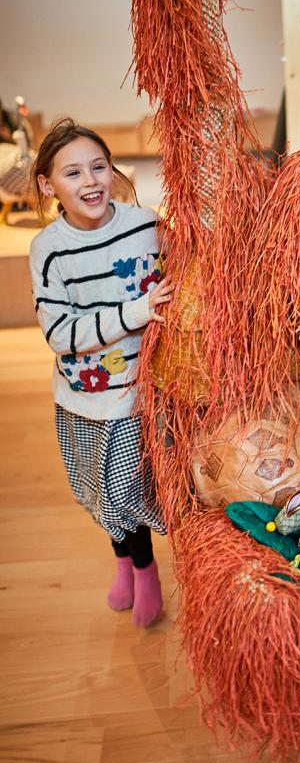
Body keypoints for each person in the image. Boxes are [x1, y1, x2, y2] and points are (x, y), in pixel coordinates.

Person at [29, 119, 173, 626]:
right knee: (96, 492)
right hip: (84, 395)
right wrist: (134, 314)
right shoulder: (48, 249)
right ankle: (124, 563)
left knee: (127, 490)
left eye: (98, 166)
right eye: (72, 173)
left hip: (137, 392)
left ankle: (146, 566)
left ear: (113, 171)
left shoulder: (144, 225)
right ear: (48, 185)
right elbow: (59, 334)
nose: (90, 181)